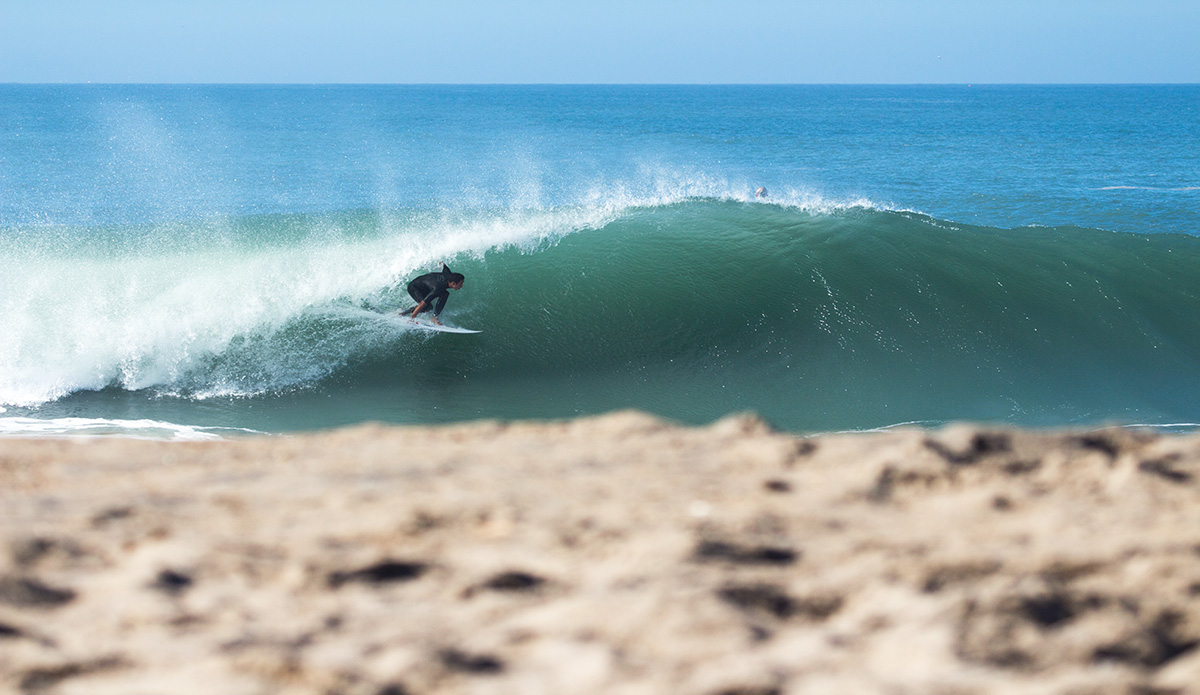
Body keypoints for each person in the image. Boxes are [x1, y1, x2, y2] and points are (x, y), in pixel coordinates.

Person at [400, 263, 465, 325]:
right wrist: (412, 319)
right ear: (453, 283)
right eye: (460, 284)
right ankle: (404, 313)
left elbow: (443, 265)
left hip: (425, 287)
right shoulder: (438, 288)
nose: (462, 286)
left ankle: (434, 317)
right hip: (414, 287)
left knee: (445, 293)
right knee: (428, 307)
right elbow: (423, 303)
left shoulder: (448, 273)